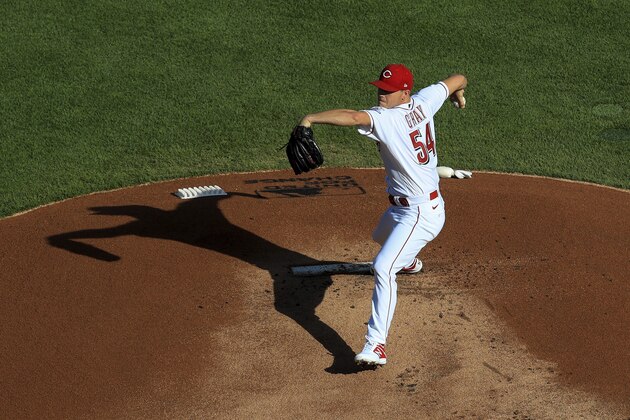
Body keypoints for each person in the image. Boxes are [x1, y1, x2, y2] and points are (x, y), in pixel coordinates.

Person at [297, 63, 468, 366]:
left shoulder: (387, 119)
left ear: (404, 92)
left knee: (383, 267)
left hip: (420, 214)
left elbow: (352, 117)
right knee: (380, 235)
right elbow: (457, 78)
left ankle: (376, 345)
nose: (381, 94)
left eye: (388, 91)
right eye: (379, 88)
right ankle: (410, 262)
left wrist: (310, 119)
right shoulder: (425, 100)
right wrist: (459, 94)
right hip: (402, 210)